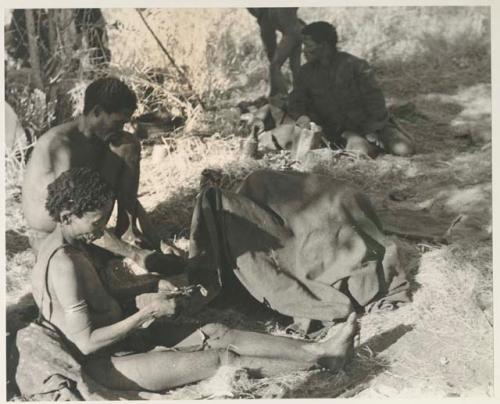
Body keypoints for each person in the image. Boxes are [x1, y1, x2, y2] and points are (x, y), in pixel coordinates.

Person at [31, 167, 360, 391]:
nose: (101, 231)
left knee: (218, 332)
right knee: (221, 359)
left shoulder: (75, 241)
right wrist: (148, 313)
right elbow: (86, 342)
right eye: (95, 223)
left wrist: (150, 288)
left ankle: (319, 350)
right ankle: (320, 361)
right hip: (105, 363)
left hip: (124, 340)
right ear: (66, 216)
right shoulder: (64, 264)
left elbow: (100, 299)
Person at [22, 76, 181, 273]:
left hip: (89, 227)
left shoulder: (101, 139)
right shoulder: (61, 146)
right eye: (117, 122)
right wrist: (134, 254)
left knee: (128, 145)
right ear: (96, 111)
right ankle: (115, 250)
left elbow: (125, 195)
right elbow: (73, 217)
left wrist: (157, 242)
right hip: (54, 234)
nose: (121, 128)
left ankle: (128, 232)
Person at [288, 21, 415, 158]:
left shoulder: (356, 66)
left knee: (404, 149)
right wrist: (302, 116)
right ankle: (368, 147)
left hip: (373, 125)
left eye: (309, 45)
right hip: (340, 131)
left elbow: (375, 101)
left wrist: (372, 129)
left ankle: (376, 143)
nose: (304, 50)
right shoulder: (305, 73)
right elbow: (296, 101)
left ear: (323, 45)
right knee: (361, 152)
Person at [248, 8, 305, 96]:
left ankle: (284, 96)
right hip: (297, 31)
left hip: (292, 34)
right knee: (294, 66)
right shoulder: (268, 12)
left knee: (275, 66)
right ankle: (299, 95)